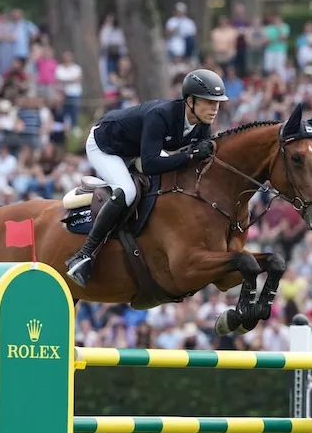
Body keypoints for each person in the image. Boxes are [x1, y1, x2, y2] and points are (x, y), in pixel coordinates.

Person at [64, 68, 229, 287]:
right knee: (128, 190)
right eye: (209, 102)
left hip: (137, 150)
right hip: (106, 146)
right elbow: (151, 164)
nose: (214, 108)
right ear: (190, 101)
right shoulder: (161, 115)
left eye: (217, 103)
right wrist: (188, 154)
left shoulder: (202, 125)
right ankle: (83, 255)